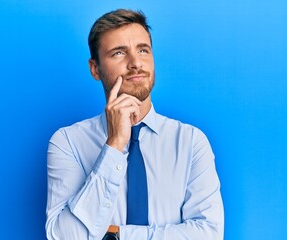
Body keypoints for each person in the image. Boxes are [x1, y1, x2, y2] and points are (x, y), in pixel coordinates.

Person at [45, 9, 224, 240]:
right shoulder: (67, 142)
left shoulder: (191, 142)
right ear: (95, 69)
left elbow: (209, 234)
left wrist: (118, 236)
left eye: (143, 50)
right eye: (119, 53)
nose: (135, 63)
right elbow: (63, 237)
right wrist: (114, 145)